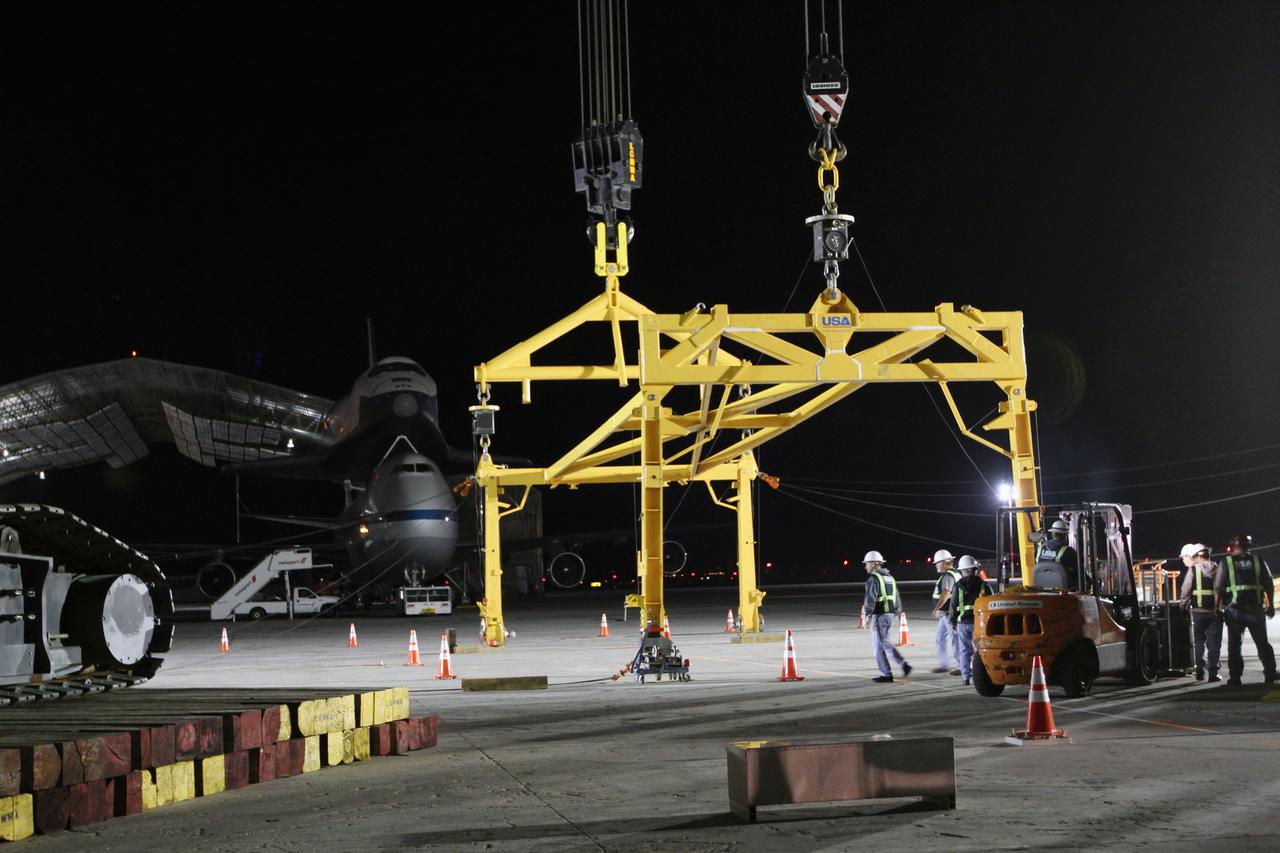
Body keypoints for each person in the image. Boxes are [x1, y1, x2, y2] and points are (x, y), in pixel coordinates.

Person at [1214, 534, 1277, 685]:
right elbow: (1269, 583)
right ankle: (1270, 674)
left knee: (1234, 646)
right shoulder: (1258, 561)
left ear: (1233, 546)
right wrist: (1271, 606)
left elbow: (1219, 587)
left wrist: (1216, 607)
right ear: (1249, 546)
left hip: (1234, 611)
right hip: (1255, 610)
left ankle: (1235, 677)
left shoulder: (1226, 562)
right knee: (1263, 643)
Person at [862, 550, 912, 683]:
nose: (865, 566)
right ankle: (903, 664)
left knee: (877, 646)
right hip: (889, 615)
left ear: (873, 564)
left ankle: (886, 674)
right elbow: (896, 596)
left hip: (879, 615)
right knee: (886, 642)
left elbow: (870, 598)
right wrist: (897, 613)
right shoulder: (890, 577)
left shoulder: (873, 578)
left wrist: (867, 614)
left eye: (867, 563)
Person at [1177, 542, 1222, 682]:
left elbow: (1185, 591)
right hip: (1215, 612)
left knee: (1198, 641)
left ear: (1196, 556)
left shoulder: (1194, 570)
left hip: (1198, 613)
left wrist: (1182, 608)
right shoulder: (1218, 568)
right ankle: (1213, 674)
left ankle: (1200, 671)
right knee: (1214, 643)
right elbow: (1223, 588)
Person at [949, 555, 985, 686]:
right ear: (975, 569)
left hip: (962, 624)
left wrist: (953, 622)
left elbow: (953, 606)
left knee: (964, 651)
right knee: (981, 651)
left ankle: (965, 678)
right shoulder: (983, 584)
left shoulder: (958, 586)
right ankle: (982, 676)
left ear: (962, 571)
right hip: (979, 624)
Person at [929, 549, 961, 675]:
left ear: (944, 562)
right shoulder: (955, 574)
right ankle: (943, 665)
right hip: (946, 614)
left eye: (937, 563)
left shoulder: (948, 576)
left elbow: (945, 594)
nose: (936, 565)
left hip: (948, 613)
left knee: (955, 639)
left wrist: (936, 608)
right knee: (940, 638)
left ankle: (961, 666)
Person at [1037, 518, 1082, 589]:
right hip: (1065, 591)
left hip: (1042, 588)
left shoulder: (1040, 549)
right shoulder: (1068, 551)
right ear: (1065, 535)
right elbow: (1079, 571)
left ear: (1052, 534)